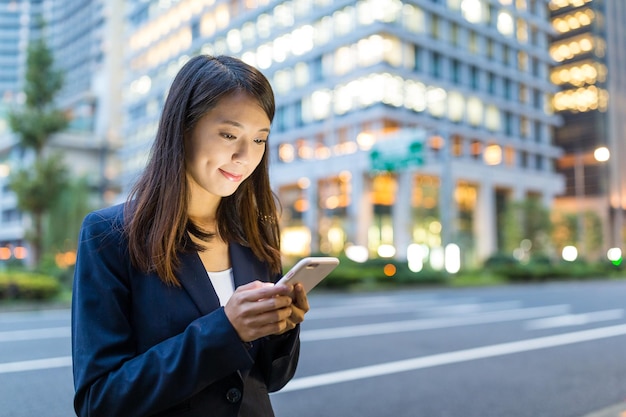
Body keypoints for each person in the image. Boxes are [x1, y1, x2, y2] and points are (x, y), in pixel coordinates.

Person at [71, 55, 309, 417]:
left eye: (259, 139)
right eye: (229, 134)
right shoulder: (109, 235)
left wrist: (282, 329)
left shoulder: (254, 236)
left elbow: (271, 379)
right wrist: (225, 330)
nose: (245, 156)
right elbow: (99, 401)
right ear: (183, 127)